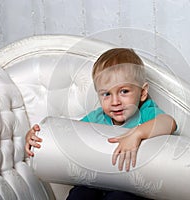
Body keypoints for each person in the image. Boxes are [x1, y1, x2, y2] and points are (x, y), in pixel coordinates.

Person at [25, 48, 177, 200]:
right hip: (96, 182)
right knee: (80, 194)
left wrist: (138, 134)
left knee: (120, 198)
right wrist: (37, 136)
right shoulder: (96, 118)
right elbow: (68, 135)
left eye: (124, 91)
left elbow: (169, 123)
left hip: (131, 186)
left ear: (142, 93)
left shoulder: (146, 112)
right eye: (106, 94)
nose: (115, 102)